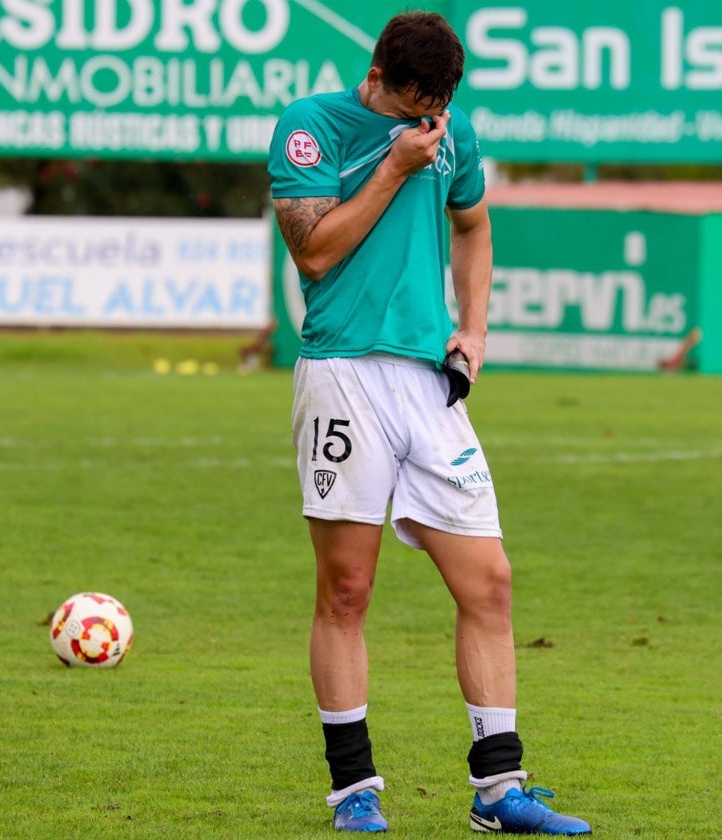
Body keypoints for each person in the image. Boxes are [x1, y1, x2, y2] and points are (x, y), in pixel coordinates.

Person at [267, 11, 591, 836]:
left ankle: (499, 789)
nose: (429, 121)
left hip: (429, 386)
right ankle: (354, 793)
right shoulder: (311, 127)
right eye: (417, 104)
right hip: (344, 371)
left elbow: (474, 225)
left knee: (489, 582)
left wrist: (474, 329)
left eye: (439, 107)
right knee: (347, 590)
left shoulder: (452, 133)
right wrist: (391, 166)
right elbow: (313, 252)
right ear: (378, 75)